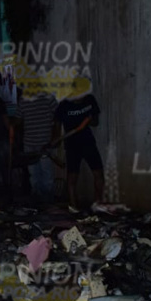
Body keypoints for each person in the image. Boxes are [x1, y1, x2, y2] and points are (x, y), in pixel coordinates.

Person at [54, 78, 104, 211]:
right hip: (72, 144)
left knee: (98, 173)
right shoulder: (64, 105)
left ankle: (98, 205)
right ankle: (73, 207)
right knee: (72, 177)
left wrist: (89, 120)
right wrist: (55, 139)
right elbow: (57, 124)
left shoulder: (90, 100)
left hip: (88, 142)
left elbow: (95, 122)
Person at [19, 91, 59, 205]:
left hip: (44, 142)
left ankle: (48, 203)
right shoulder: (23, 99)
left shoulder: (48, 97)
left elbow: (58, 118)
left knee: (46, 174)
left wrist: (55, 137)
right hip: (29, 142)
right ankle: (36, 202)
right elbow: (19, 119)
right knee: (33, 174)